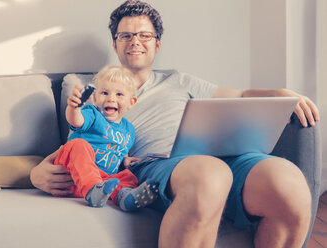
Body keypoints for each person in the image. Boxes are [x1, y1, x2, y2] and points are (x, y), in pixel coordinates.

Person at [31, 0, 320, 247]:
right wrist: (37, 173)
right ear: (115, 44)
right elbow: (80, 143)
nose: (135, 41)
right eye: (126, 35)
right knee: (210, 174)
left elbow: (241, 95)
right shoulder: (98, 92)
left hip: (225, 153)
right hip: (161, 165)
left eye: (144, 35)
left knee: (289, 184)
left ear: (157, 44)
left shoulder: (180, 80)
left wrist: (279, 93)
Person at [54, 65, 159, 211]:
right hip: (72, 176)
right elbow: (76, 121)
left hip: (104, 183)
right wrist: (74, 108)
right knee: (78, 144)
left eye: (119, 95)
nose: (111, 99)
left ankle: (125, 197)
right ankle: (92, 190)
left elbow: (121, 150)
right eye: (105, 93)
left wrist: (126, 160)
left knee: (126, 177)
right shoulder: (92, 114)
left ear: (131, 102)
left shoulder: (129, 130)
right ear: (95, 98)